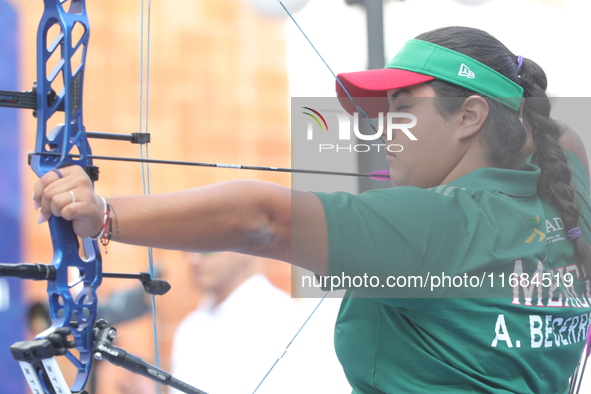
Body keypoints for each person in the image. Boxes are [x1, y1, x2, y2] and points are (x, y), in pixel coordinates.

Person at [33, 26, 591, 393]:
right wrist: (509, 113)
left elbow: (261, 220)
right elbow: (559, 134)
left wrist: (104, 213)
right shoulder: (568, 202)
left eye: (402, 107)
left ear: (469, 117)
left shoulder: (434, 225)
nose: (382, 130)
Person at [168, 252, 347, 394]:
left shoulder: (286, 320)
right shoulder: (188, 328)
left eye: (207, 247)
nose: (193, 259)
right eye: (188, 249)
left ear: (244, 248)